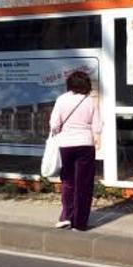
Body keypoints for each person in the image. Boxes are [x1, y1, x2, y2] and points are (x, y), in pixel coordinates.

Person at [49, 70, 102, 231]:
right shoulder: (90, 101)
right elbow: (97, 125)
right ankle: (79, 223)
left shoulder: (61, 99)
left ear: (70, 84)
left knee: (68, 181)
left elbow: (54, 124)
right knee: (84, 184)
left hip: (66, 145)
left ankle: (66, 216)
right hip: (85, 144)